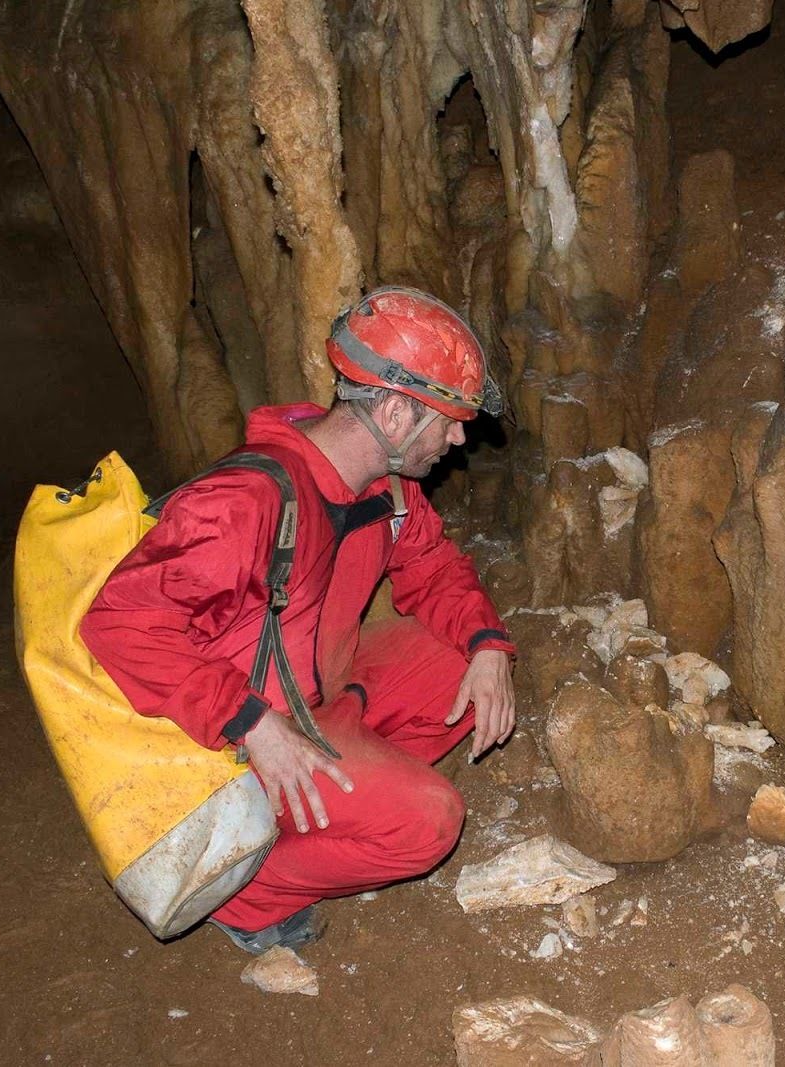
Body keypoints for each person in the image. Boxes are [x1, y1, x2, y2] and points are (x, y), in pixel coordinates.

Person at [80, 286, 516, 954]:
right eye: (448, 419)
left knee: (462, 667)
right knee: (430, 822)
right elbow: (118, 622)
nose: (460, 438)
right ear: (397, 412)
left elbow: (432, 565)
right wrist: (252, 722)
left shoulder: (384, 487)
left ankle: (345, 797)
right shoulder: (246, 502)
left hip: (320, 701)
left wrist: (486, 644)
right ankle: (242, 891)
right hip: (239, 743)